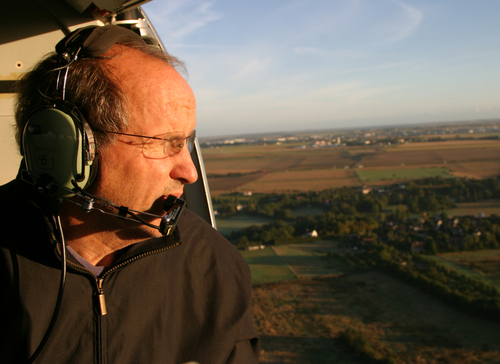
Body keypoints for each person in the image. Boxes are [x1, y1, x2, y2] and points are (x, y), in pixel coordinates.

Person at [0, 25, 259, 363]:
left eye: (186, 142)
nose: (190, 172)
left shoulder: (214, 266)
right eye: (167, 144)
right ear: (71, 147)